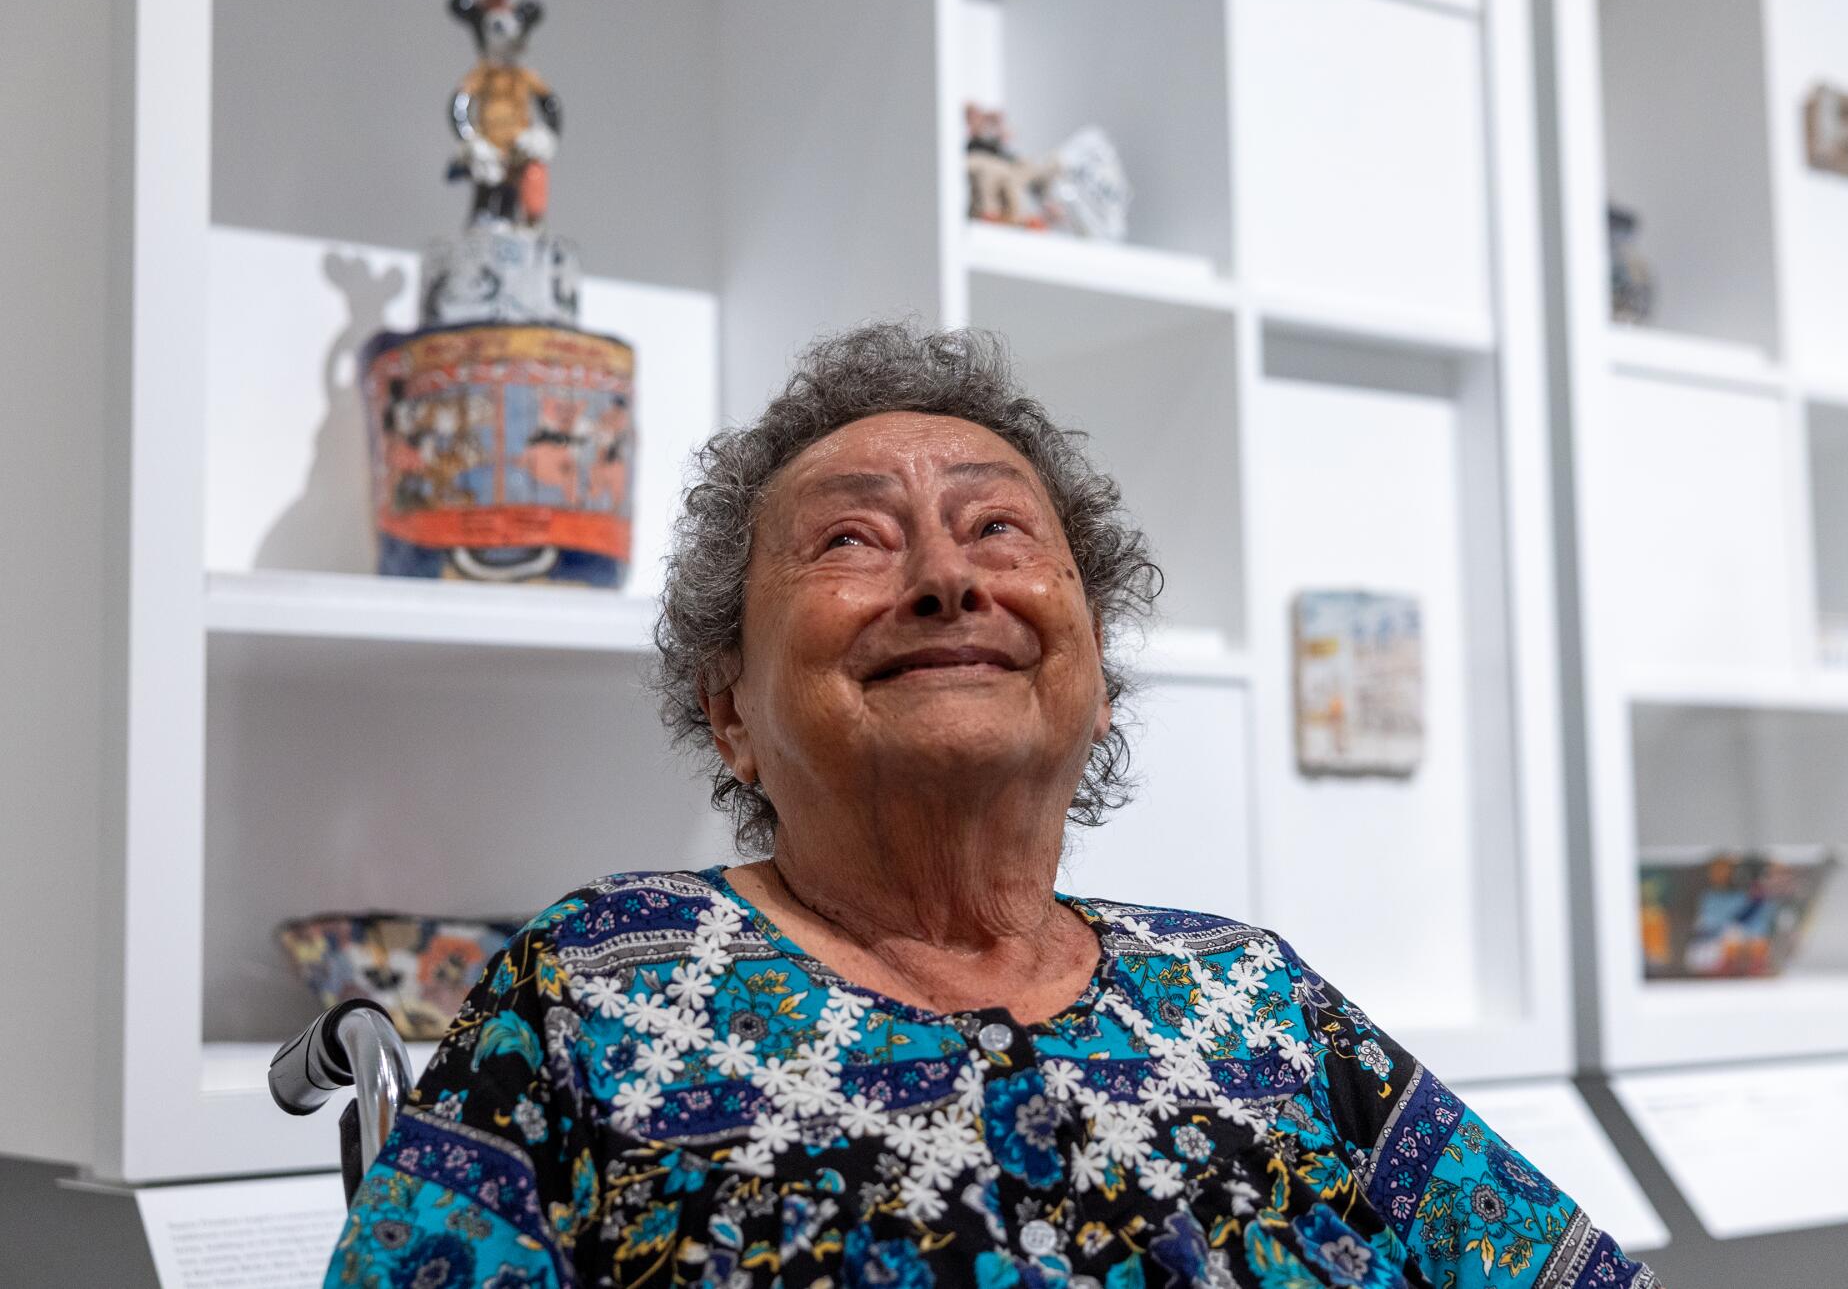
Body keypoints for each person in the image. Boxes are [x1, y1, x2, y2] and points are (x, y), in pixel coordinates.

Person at [324, 323, 1660, 1288]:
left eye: (1001, 532)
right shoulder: (594, 988)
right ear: (729, 708)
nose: (946, 581)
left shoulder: (1253, 994)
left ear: (1098, 675)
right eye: (852, 538)